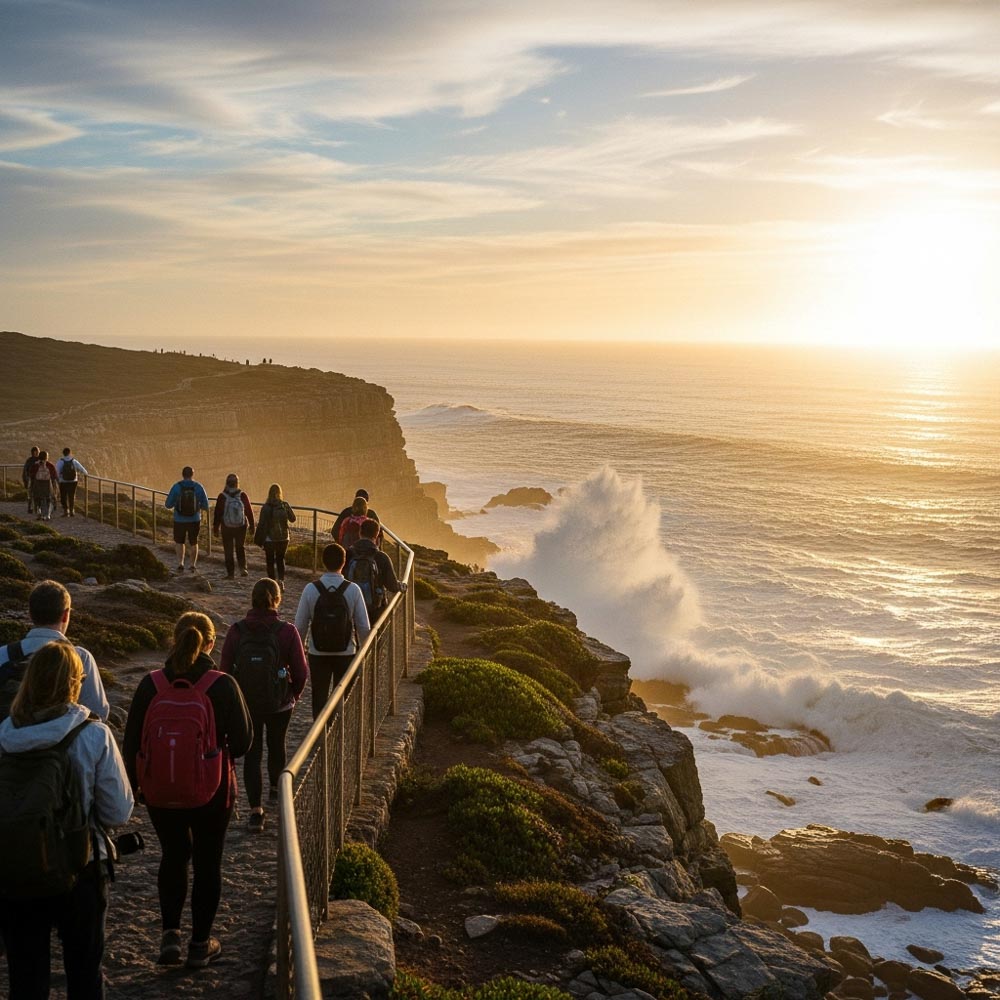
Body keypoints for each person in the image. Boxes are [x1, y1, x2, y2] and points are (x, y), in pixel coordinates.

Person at [0, 641, 134, 1000]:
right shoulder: (92, 734)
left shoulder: (3, 735)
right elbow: (118, 811)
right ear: (76, 681)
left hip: (15, 865)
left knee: (25, 978)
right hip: (80, 866)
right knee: (84, 971)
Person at [123, 612, 252, 969]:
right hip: (213, 790)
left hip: (160, 792)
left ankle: (170, 936)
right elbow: (242, 743)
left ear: (174, 639)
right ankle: (199, 944)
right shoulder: (222, 684)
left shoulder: (151, 685)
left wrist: (136, 788)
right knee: (208, 861)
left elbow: (131, 741)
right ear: (211, 643)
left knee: (174, 855)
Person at [219, 579, 307, 832]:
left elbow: (224, 672)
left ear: (252, 599)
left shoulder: (237, 631)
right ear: (277, 600)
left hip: (246, 703)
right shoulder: (287, 631)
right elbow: (301, 672)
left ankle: (256, 811)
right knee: (277, 745)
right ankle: (276, 790)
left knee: (253, 753)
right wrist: (293, 695)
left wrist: (233, 702)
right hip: (279, 703)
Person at [0, 580, 110, 722]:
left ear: (30, 614)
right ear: (65, 615)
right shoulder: (81, 657)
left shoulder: (4, 654)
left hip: (8, 738)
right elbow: (98, 712)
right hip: (63, 740)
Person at [294, 543, 371, 721]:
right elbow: (363, 627)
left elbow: (300, 626)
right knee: (342, 697)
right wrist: (364, 653)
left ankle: (320, 739)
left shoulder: (311, 589)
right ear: (344, 563)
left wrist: (299, 654)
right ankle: (338, 735)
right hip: (346, 653)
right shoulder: (353, 590)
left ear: (323, 562)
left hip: (317, 652)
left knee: (319, 696)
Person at [346, 517, 405, 623]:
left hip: (351, 604)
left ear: (360, 532)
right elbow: (391, 585)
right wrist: (401, 586)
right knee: (374, 635)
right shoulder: (381, 557)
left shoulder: (348, 554)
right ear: (377, 534)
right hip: (375, 607)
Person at [164, 466, 209, 574]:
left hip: (179, 519)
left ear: (182, 474)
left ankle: (181, 563)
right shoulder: (198, 487)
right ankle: (193, 564)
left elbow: (168, 504)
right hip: (194, 519)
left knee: (179, 542)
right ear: (192, 474)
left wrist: (176, 504)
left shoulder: (176, 487)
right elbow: (206, 505)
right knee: (194, 542)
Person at [212, 474, 255, 580]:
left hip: (226, 527)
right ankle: (243, 568)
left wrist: (216, 528)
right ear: (237, 483)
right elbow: (249, 511)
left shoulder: (222, 496)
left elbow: (218, 513)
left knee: (228, 550)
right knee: (240, 547)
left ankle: (230, 574)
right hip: (241, 526)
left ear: (226, 483)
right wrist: (252, 525)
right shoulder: (242, 495)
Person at [253, 483, 296, 586]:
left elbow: (262, 524)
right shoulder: (284, 505)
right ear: (280, 493)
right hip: (284, 538)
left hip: (270, 539)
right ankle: (281, 581)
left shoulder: (266, 507)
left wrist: (258, 537)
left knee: (270, 561)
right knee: (281, 559)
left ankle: (272, 583)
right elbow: (293, 519)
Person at [57, 447, 88, 518]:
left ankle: (65, 511)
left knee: (63, 496)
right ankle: (71, 511)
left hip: (63, 481)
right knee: (71, 496)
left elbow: (57, 472)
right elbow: (84, 471)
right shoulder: (74, 461)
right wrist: (81, 474)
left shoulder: (60, 461)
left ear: (63, 453)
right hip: (73, 481)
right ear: (70, 453)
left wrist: (58, 480)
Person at [31, 449, 59, 521]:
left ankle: (39, 512)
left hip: (37, 484)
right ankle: (47, 515)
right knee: (49, 499)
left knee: (37, 499)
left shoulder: (35, 465)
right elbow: (54, 475)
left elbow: (31, 475)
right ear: (46, 457)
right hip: (47, 484)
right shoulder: (50, 465)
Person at [22, 445, 40, 514]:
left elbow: (25, 471)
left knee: (32, 495)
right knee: (32, 494)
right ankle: (31, 507)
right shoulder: (35, 460)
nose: (37, 453)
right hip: (34, 480)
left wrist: (25, 480)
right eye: (36, 451)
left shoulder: (29, 460)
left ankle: (32, 508)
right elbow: (25, 471)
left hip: (33, 479)